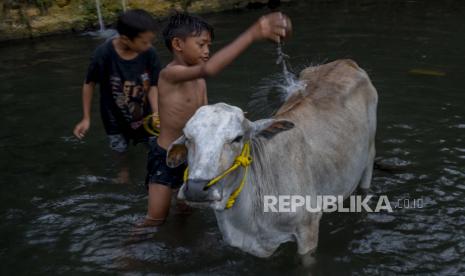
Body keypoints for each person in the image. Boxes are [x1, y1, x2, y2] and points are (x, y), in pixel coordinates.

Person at [143, 12, 291, 226]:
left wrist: (233, 120)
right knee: (155, 218)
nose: (207, 51)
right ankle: (128, 254)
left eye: (209, 46)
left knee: (186, 210)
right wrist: (252, 34)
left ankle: (180, 239)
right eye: (201, 45)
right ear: (178, 44)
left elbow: (205, 116)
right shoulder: (170, 74)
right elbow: (211, 69)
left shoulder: (198, 80)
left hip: (192, 156)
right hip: (166, 155)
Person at [73, 9, 162, 183]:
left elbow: (153, 85)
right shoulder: (103, 54)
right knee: (119, 148)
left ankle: (155, 173)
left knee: (155, 145)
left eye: (151, 41)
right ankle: (123, 172)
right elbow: (89, 83)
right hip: (114, 117)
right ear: (125, 39)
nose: (149, 45)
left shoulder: (149, 53)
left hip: (146, 114)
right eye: (144, 42)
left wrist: (157, 112)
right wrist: (86, 118)